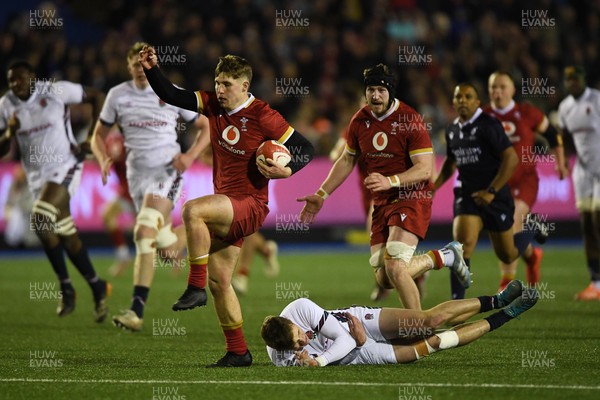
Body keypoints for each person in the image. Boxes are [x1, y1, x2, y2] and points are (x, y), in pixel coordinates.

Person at [140, 47, 315, 367]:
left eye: (227, 85)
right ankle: (238, 352)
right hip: (227, 205)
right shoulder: (211, 104)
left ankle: (194, 286)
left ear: (244, 86)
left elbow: (305, 147)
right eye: (218, 83)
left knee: (193, 210)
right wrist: (153, 68)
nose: (220, 90)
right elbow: (170, 93)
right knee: (221, 282)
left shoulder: (263, 115)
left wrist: (286, 170)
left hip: (250, 204)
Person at [298, 63, 471, 311]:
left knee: (395, 267)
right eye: (371, 90)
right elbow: (347, 159)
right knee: (383, 278)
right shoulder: (359, 121)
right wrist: (321, 194)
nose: (375, 95)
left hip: (411, 196)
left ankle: (417, 331)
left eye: (381, 90)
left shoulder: (410, 119)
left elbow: (425, 168)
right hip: (381, 202)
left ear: (391, 92)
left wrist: (391, 181)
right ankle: (445, 256)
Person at [91, 42, 205, 331]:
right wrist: (103, 157)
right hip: (136, 178)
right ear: (129, 68)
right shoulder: (117, 95)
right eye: (135, 66)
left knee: (143, 231)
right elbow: (98, 134)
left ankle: (136, 310)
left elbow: (205, 125)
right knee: (165, 249)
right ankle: (206, 230)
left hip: (167, 171)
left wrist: (190, 156)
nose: (140, 70)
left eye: (145, 65)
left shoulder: (169, 91)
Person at [0, 60, 110, 321]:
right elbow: (2, 151)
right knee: (66, 236)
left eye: (21, 78)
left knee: (40, 219)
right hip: (36, 177)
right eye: (11, 80)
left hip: (66, 165)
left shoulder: (55, 91)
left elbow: (96, 96)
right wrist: (9, 134)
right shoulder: (6, 106)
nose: (16, 84)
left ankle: (66, 287)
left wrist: (93, 137)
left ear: (33, 77)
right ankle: (97, 287)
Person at [434, 83, 547, 300]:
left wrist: (492, 191)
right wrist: (433, 188)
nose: (463, 101)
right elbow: (451, 162)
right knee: (460, 247)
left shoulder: (489, 124)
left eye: (468, 97)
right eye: (459, 97)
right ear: (454, 102)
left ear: (477, 102)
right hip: (467, 195)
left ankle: (531, 228)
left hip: (495, 196)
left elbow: (511, 158)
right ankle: (456, 305)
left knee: (508, 253)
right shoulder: (452, 130)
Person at [261, 280, 538, 366]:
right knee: (436, 341)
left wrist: (319, 361)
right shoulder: (282, 357)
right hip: (361, 356)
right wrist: (353, 347)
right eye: (297, 344)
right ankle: (507, 315)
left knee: (432, 321)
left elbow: (345, 338)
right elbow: (347, 350)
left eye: (299, 334)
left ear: (290, 320)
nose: (302, 341)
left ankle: (496, 300)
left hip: (359, 323)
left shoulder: (299, 308)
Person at [484, 71, 568, 290]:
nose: (498, 91)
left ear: (513, 89)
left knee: (512, 222)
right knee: (502, 237)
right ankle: (532, 256)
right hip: (496, 184)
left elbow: (552, 134)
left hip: (525, 181)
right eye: (493, 87)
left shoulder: (526, 113)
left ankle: (506, 283)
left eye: (503, 87)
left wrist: (560, 162)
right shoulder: (482, 115)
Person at [558, 65, 600, 301]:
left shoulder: (596, 100)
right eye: (568, 78)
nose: (572, 82)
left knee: (597, 220)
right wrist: (562, 162)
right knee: (587, 225)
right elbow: (563, 138)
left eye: (577, 77)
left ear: (584, 78)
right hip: (582, 172)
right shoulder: (565, 107)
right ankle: (596, 283)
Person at [101, 132, 135, 277]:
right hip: (127, 190)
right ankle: (124, 256)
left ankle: (176, 252)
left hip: (136, 190)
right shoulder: (113, 137)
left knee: (151, 233)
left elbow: (116, 154)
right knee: (107, 215)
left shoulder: (127, 137)